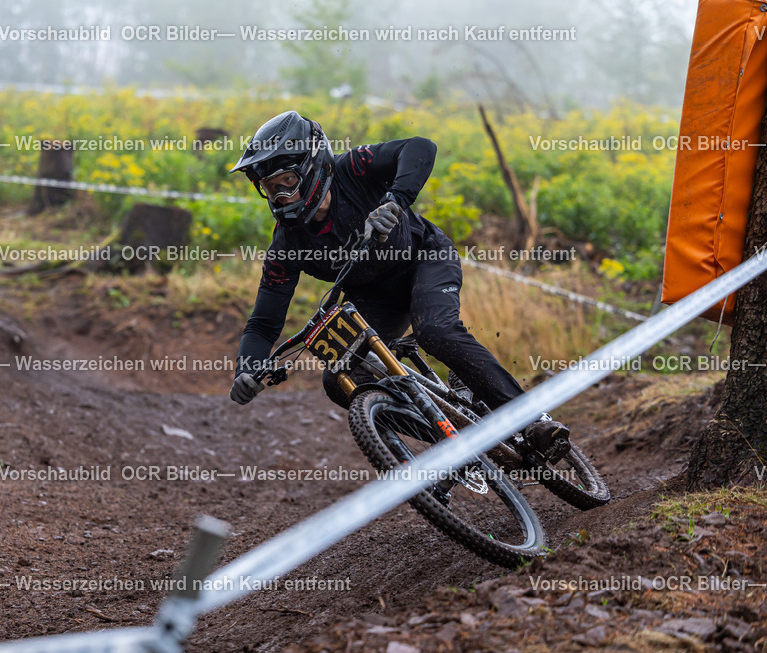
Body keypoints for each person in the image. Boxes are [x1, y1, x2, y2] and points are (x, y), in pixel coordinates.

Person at [227, 110, 567, 454]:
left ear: (310, 167)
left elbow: (420, 148)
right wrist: (247, 368)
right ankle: (458, 441)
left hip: (425, 259)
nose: (279, 197)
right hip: (376, 298)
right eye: (269, 189)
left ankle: (533, 419)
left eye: (285, 182)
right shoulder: (286, 244)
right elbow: (264, 323)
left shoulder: (353, 169)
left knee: (434, 330)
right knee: (339, 382)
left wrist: (396, 199)